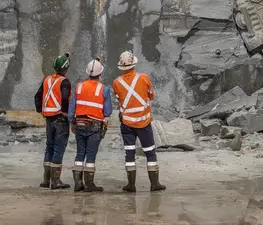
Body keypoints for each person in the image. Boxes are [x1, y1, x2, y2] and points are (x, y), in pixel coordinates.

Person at [112, 50, 166, 192]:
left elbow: (119, 99)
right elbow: (151, 95)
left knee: (129, 153)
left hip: (127, 124)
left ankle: (131, 185)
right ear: (133, 63)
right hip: (143, 122)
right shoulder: (144, 78)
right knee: (150, 152)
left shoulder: (116, 82)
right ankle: (154, 184)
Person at [68, 57, 113, 192]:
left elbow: (72, 109)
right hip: (95, 126)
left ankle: (77, 183)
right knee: (91, 154)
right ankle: (89, 184)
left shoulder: (79, 87)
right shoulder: (103, 89)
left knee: (80, 153)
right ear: (100, 74)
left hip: (79, 124)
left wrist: (72, 122)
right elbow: (108, 111)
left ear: (88, 73)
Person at [34, 52, 72, 189]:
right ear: (66, 68)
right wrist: (66, 113)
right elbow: (65, 98)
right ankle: (56, 181)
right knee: (58, 147)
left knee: (49, 147)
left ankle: (46, 180)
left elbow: (37, 96)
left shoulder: (47, 79)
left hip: (49, 118)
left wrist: (41, 110)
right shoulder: (64, 82)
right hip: (60, 118)